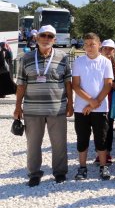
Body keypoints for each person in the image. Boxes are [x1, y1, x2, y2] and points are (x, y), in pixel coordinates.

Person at [14, 25, 73, 187]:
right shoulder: (25, 58)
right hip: (33, 109)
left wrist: (71, 104)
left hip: (57, 108)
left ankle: (60, 172)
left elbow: (68, 83)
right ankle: (34, 173)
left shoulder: (63, 57)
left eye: (50, 36)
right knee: (33, 144)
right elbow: (20, 85)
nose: (46, 39)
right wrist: (18, 107)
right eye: (43, 35)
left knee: (59, 143)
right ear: (37, 38)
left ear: (54, 39)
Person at [72, 33, 114, 181]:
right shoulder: (78, 62)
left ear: (99, 45)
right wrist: (91, 101)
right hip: (81, 107)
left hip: (101, 107)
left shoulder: (105, 62)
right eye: (87, 44)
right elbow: (75, 85)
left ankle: (103, 166)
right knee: (82, 138)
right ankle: (82, 167)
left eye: (92, 44)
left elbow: (108, 84)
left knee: (101, 139)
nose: (89, 47)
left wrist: (95, 103)